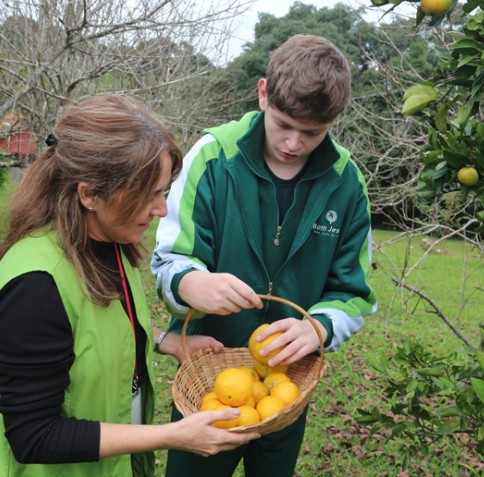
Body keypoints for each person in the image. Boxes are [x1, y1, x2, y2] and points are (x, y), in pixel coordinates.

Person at [0, 94, 259, 477]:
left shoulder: (106, 239)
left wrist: (164, 341)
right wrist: (172, 435)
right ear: (90, 194)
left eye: (163, 191)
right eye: (149, 194)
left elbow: (88, 329)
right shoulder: (35, 286)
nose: (161, 209)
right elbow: (33, 435)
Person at [151, 34, 378, 477]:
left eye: (311, 133)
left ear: (333, 121)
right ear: (262, 93)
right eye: (283, 124)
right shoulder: (214, 157)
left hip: (286, 386)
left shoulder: (346, 182)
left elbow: (354, 292)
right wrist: (190, 283)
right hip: (209, 382)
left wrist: (321, 327)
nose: (293, 142)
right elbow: (170, 259)